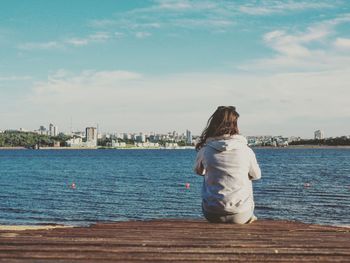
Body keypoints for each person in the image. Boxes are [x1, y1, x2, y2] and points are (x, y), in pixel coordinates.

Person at [194, 106, 261, 224]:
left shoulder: (205, 150)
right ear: (235, 124)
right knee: (247, 178)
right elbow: (256, 176)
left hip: (211, 213)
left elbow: (199, 172)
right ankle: (249, 217)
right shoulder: (246, 150)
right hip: (241, 215)